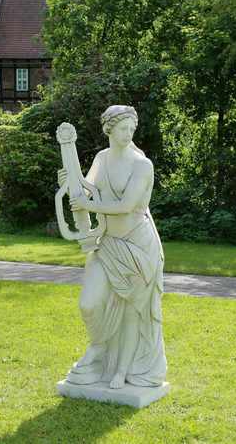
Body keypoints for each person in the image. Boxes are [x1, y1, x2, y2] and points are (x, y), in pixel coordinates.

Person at [58, 105, 167, 389]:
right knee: (89, 303)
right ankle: (98, 347)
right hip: (106, 243)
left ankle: (121, 371)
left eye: (132, 129)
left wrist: (87, 204)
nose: (128, 133)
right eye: (123, 128)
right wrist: (71, 182)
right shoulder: (102, 158)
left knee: (133, 312)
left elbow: (126, 205)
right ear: (109, 129)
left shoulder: (142, 165)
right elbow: (86, 188)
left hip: (138, 247)